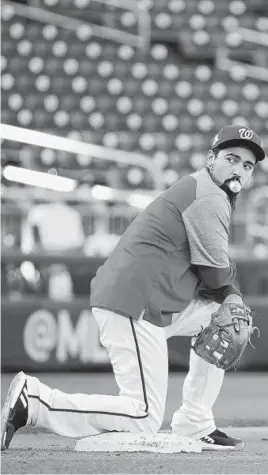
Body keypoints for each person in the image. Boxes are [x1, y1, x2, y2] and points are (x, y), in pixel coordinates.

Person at [1, 125, 266, 452]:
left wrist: (229, 299)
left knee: (223, 318)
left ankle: (195, 422)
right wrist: (234, 295)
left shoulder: (204, 189)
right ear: (211, 158)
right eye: (232, 158)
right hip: (134, 302)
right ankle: (37, 401)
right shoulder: (209, 194)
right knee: (143, 416)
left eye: (247, 165)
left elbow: (213, 274)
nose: (238, 169)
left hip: (152, 299)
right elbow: (214, 274)